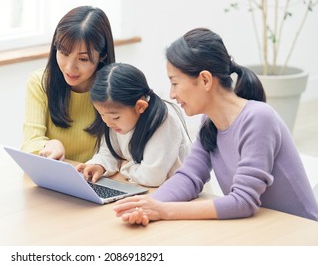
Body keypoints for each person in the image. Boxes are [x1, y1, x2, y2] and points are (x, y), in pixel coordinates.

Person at [113, 28, 318, 224]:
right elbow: (190, 177)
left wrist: (164, 211)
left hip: (301, 233)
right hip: (259, 230)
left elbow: (243, 202)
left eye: (175, 83)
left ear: (205, 80)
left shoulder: (258, 118)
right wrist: (148, 206)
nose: (172, 94)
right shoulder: (210, 122)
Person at [21, 6, 115, 163]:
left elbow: (123, 153)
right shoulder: (39, 82)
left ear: (102, 56)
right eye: (64, 53)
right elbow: (30, 144)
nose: (70, 68)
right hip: (52, 179)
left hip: (95, 180)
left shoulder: (113, 89)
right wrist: (49, 145)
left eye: (83, 59)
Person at [75, 63, 192, 187]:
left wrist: (125, 167)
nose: (108, 122)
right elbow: (109, 151)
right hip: (146, 189)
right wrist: (99, 165)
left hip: (181, 195)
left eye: (115, 117)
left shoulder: (164, 122)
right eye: (101, 114)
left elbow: (152, 177)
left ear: (140, 106)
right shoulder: (115, 120)